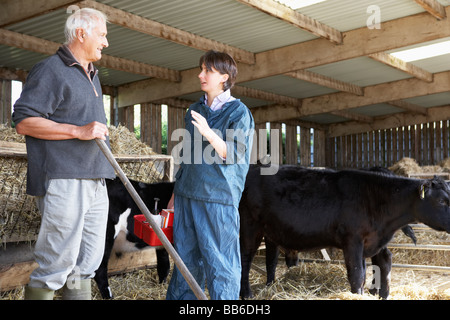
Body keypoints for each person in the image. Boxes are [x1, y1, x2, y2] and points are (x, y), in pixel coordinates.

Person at [12, 8, 115, 300]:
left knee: (86, 264)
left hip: (96, 179)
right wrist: (78, 131)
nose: (106, 43)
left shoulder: (93, 76)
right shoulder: (50, 70)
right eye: (102, 35)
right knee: (57, 262)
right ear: (81, 34)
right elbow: (23, 122)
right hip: (64, 177)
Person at [166, 50, 254, 300]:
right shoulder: (194, 109)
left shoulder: (238, 112)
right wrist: (175, 192)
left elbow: (234, 153)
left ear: (224, 77)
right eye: (201, 69)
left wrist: (209, 132)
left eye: (208, 70)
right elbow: (188, 156)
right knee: (185, 263)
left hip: (218, 197)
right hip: (187, 194)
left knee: (221, 265)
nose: (200, 74)